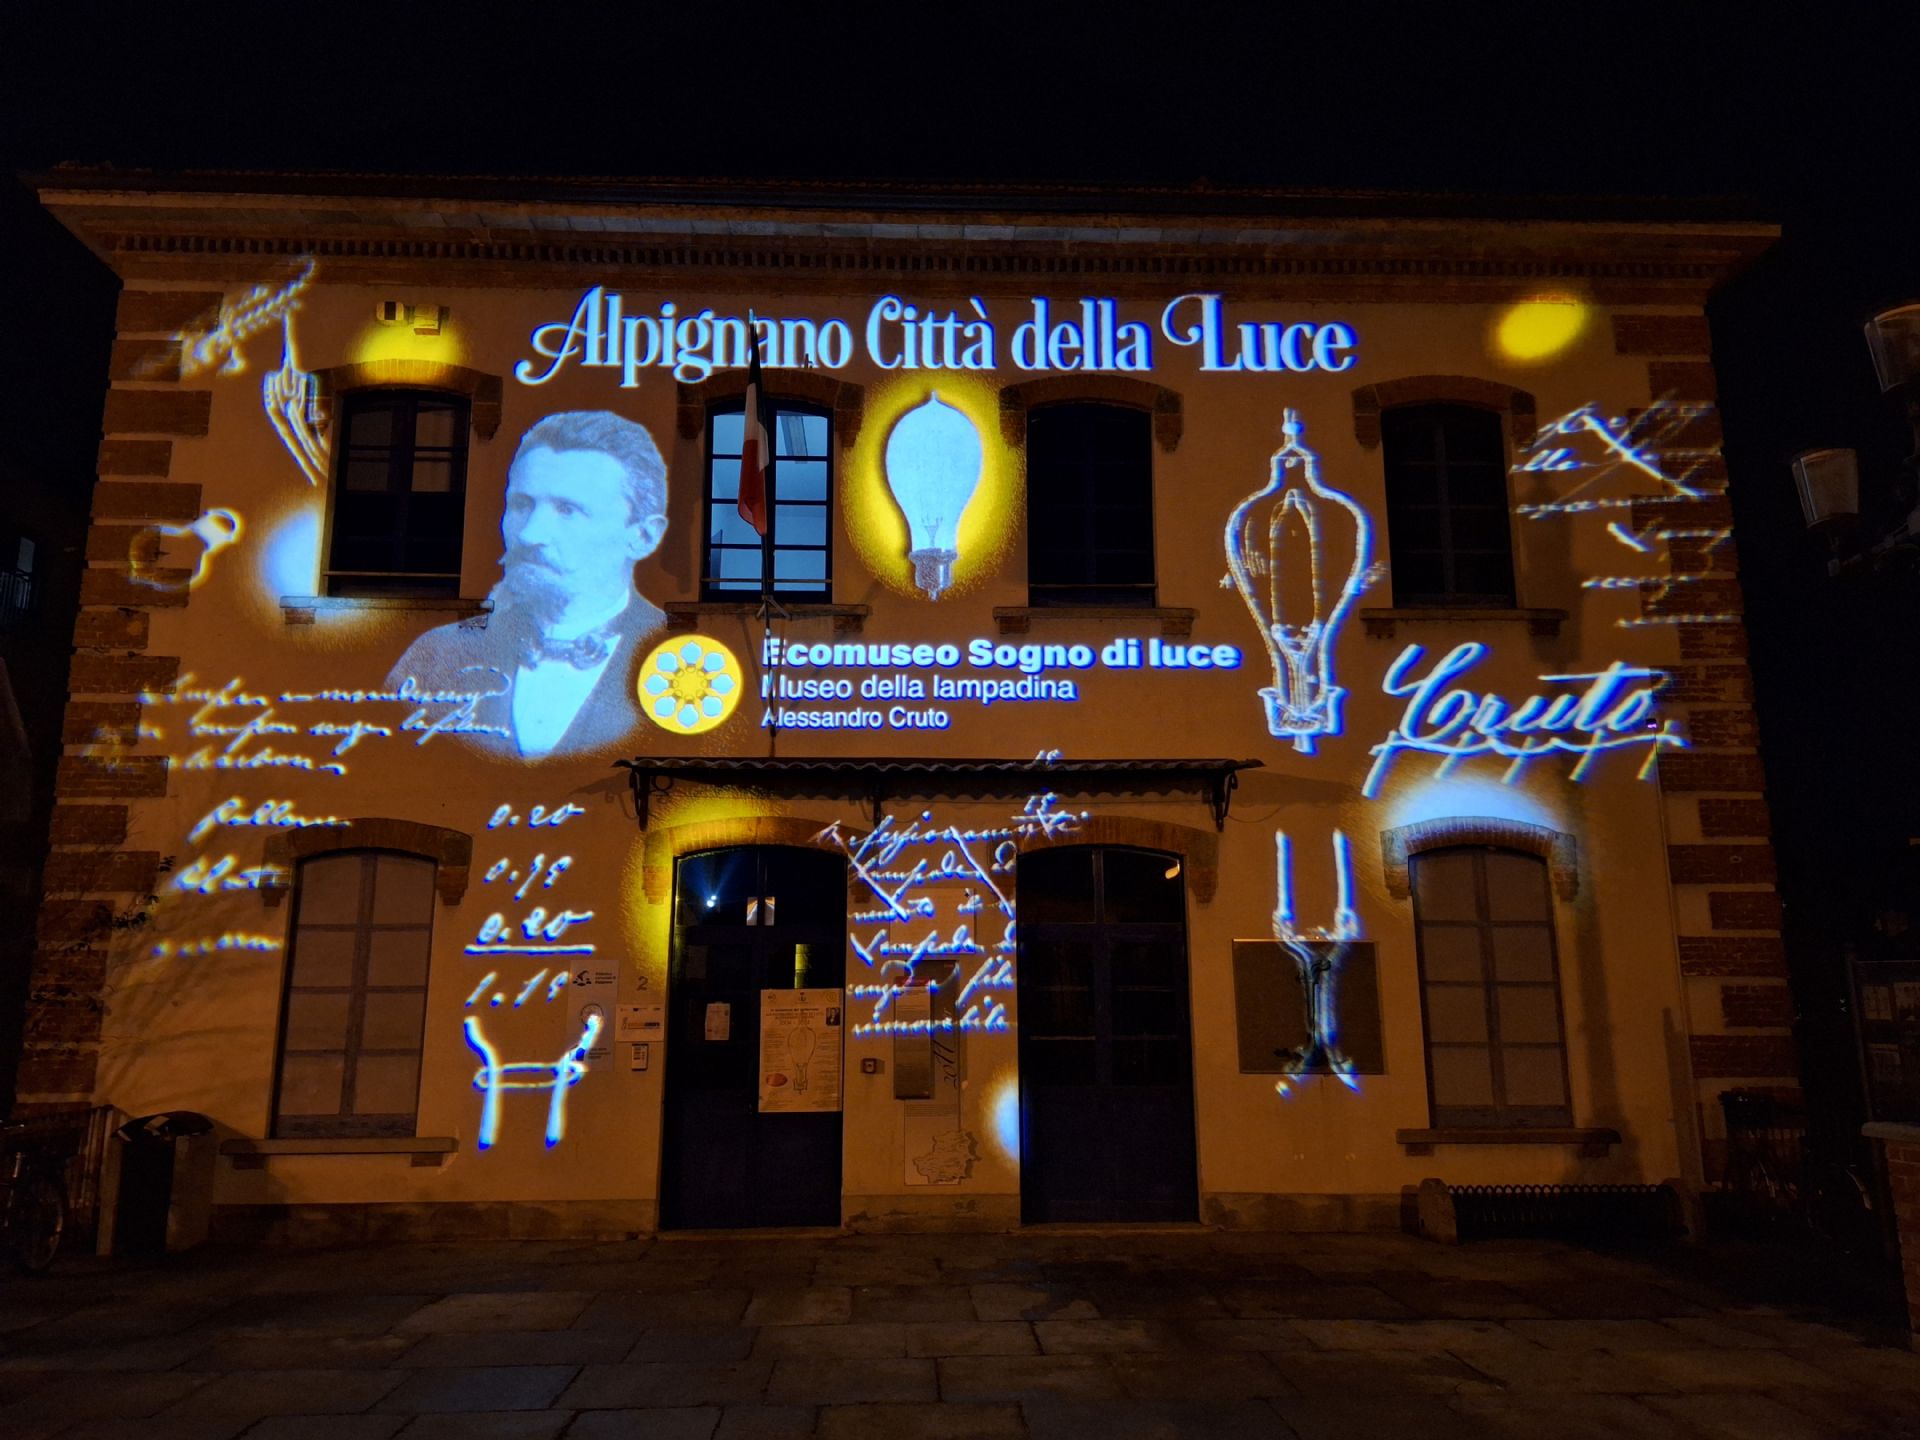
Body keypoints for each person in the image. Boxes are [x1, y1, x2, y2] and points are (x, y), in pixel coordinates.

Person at [387, 410, 669, 760]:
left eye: (567, 510)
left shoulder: (676, 653)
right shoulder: (436, 656)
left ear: (642, 536)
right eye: (522, 505)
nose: (530, 534)